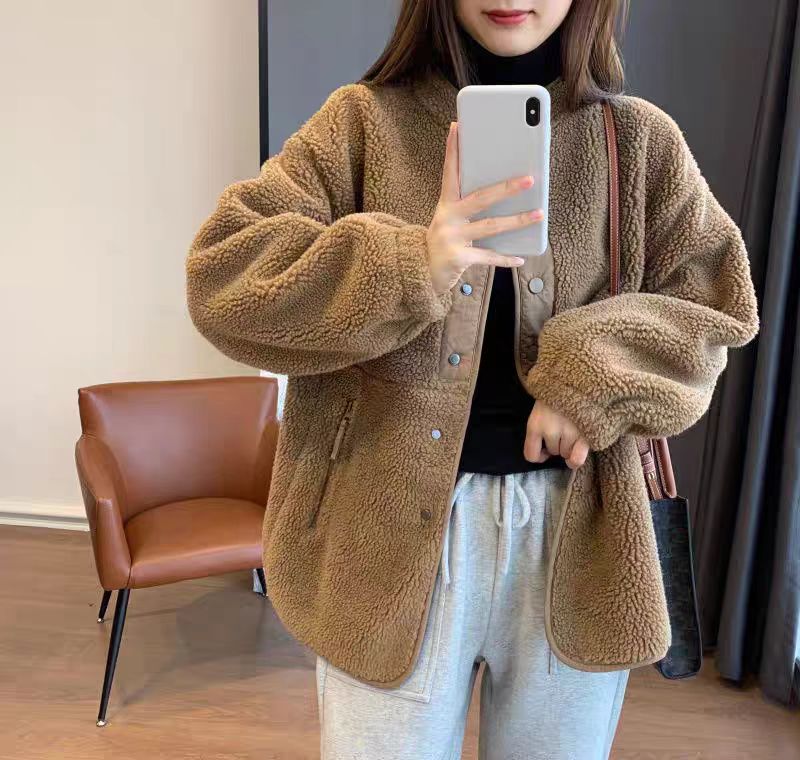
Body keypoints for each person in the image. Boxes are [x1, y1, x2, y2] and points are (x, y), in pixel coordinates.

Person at [185, 1, 759, 757]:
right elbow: (223, 277)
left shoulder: (639, 141)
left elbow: (717, 303)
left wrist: (586, 379)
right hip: (381, 541)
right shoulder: (362, 123)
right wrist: (413, 263)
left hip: (575, 542)